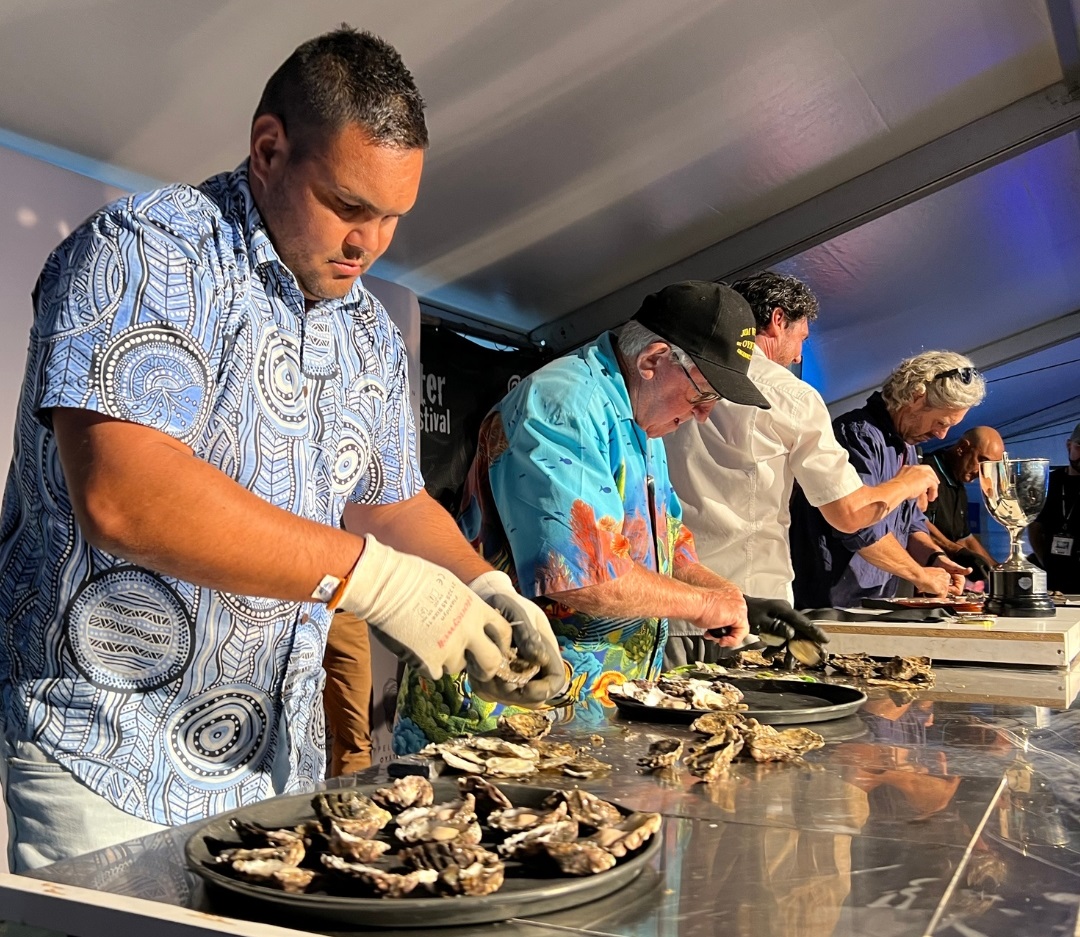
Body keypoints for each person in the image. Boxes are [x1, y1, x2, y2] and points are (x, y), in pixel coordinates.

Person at [0, 27, 564, 871]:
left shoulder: (369, 330)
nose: (367, 243)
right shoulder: (147, 250)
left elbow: (385, 498)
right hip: (110, 756)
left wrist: (479, 585)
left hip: (274, 763)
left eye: (391, 218)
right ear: (269, 148)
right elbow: (127, 495)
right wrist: (373, 577)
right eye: (348, 205)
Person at [392, 281, 830, 753]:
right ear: (653, 360)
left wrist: (732, 597)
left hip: (582, 711)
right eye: (701, 396)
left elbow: (669, 546)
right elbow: (582, 578)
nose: (704, 416)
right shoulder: (563, 405)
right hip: (501, 710)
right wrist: (704, 606)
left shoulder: (640, 416)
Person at [663, 272, 939, 666]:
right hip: (746, 605)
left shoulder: (676, 376)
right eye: (802, 339)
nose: (797, 356)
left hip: (664, 600)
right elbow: (849, 515)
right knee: (739, 724)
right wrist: (908, 482)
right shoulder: (792, 395)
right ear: (777, 320)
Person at [790, 351, 985, 610]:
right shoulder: (857, 436)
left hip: (873, 604)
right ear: (917, 397)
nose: (942, 435)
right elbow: (860, 526)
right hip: (830, 608)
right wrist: (920, 576)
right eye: (940, 422)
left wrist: (935, 558)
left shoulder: (908, 445)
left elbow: (911, 523)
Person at [922, 426, 1005, 584]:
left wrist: (998, 571)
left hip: (943, 581)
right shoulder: (926, 470)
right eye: (982, 461)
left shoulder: (959, 484)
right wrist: (955, 550)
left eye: (990, 467)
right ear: (962, 448)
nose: (983, 472)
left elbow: (964, 539)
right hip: (916, 577)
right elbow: (914, 523)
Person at [1028, 423, 1080, 593]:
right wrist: (1047, 564)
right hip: (1054, 579)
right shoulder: (1049, 483)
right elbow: (1035, 528)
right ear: (1068, 445)